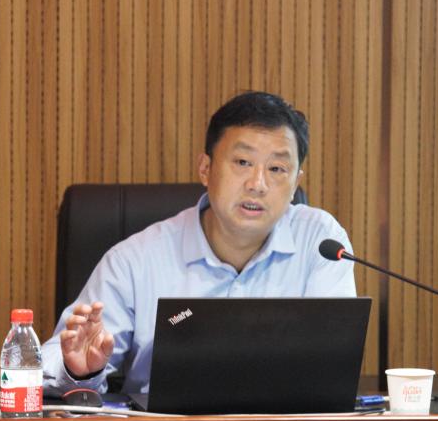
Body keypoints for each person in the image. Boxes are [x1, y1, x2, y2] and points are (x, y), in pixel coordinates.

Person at [41, 91, 356, 396]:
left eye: (276, 169)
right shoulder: (136, 259)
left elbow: (332, 364)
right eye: (243, 162)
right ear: (206, 169)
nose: (257, 184)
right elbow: (56, 359)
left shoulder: (321, 242)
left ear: (296, 182)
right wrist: (78, 370)